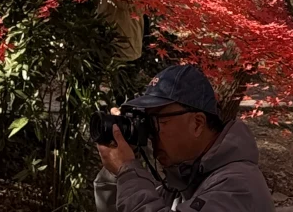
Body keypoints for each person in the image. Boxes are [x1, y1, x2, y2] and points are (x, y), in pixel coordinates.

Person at [94, 64, 273, 212]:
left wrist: (128, 172)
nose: (149, 131)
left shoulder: (239, 188)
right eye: (146, 120)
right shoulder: (184, 180)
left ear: (197, 123)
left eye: (156, 120)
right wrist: (116, 172)